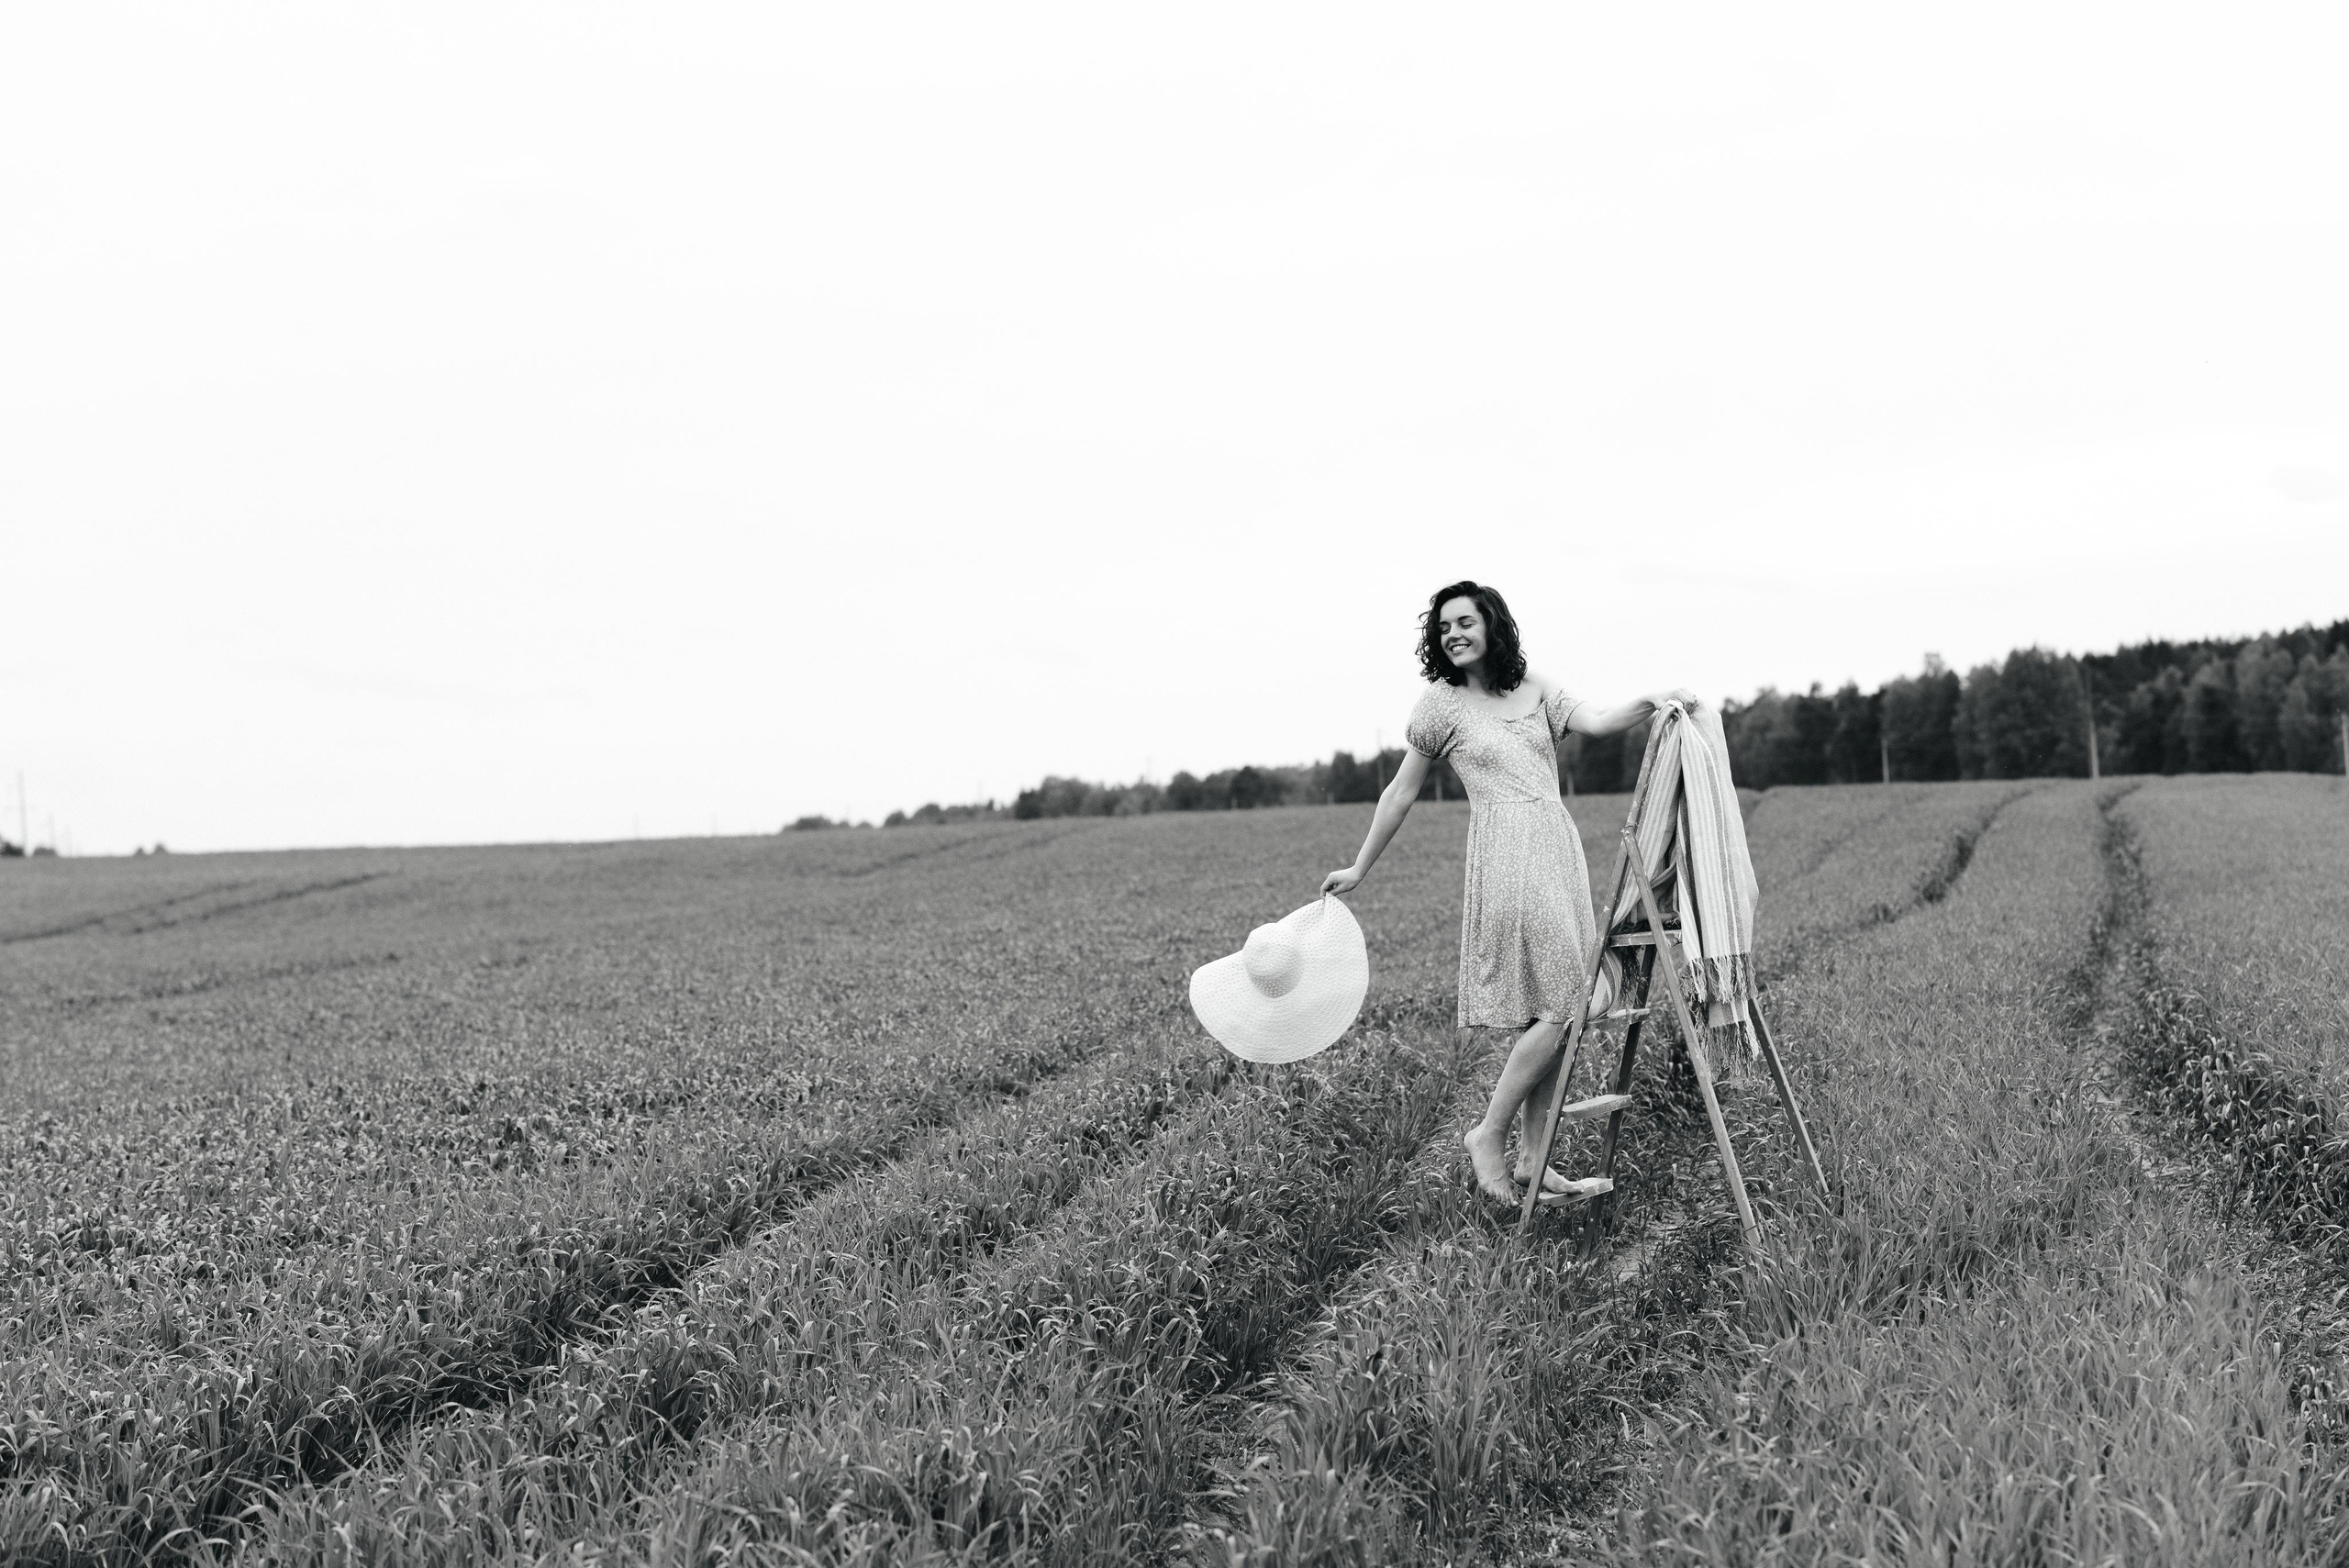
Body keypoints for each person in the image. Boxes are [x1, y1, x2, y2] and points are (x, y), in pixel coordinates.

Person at [1320, 580, 1698, 1205]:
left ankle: (1532, 1157)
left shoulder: (1538, 689)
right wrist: (1360, 867)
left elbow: (1601, 721)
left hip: (1557, 851)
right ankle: (1489, 1135)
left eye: (1465, 621)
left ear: (1493, 624)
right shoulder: (1441, 704)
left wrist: (1652, 700)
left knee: (1547, 1009)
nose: (1454, 634)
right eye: (1444, 628)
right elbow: (1400, 792)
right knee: (1566, 1004)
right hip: (1505, 858)